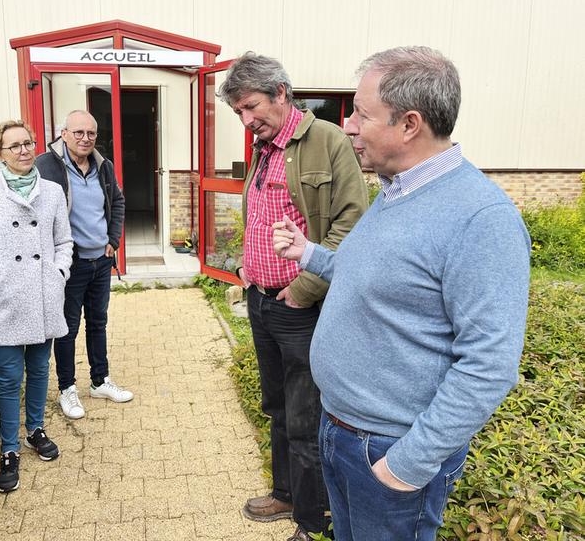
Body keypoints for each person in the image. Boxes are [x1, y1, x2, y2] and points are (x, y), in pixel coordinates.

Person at [272, 46, 531, 541]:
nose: (347, 125)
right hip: (341, 429)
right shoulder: (396, 191)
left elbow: (490, 364)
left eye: (361, 114)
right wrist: (308, 254)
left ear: (409, 125)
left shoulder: (482, 220)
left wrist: (407, 464)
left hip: (388, 451)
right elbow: (370, 276)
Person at [217, 52, 368, 541]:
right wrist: (246, 268)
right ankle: (285, 493)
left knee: (306, 418)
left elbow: (351, 222)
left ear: (281, 92)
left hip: (301, 306)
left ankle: (312, 520)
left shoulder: (326, 140)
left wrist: (305, 289)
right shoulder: (264, 147)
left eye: (251, 106)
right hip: (261, 300)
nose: (245, 119)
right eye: (238, 111)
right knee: (278, 407)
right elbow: (262, 217)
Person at [0, 120, 73, 493]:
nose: (24, 151)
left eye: (28, 143)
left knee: (40, 369)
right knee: (8, 378)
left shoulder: (52, 191)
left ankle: (35, 429)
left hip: (44, 297)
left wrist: (59, 272)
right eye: (14, 146)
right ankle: (8, 447)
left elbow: (64, 240)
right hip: (7, 299)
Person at [35, 109, 131, 420]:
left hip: (101, 261)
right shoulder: (45, 166)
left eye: (91, 133)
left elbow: (117, 202)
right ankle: (67, 388)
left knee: (98, 322)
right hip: (70, 264)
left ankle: (99, 381)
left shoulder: (103, 166)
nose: (85, 138)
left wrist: (113, 240)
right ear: (63, 134)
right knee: (67, 329)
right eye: (78, 132)